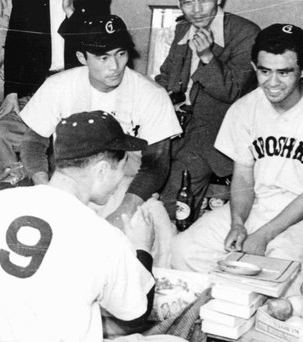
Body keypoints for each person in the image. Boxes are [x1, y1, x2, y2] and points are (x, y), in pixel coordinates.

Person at [0, 110, 155, 341]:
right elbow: (136, 314)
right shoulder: (102, 237)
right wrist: (143, 248)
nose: (121, 179)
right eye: (121, 169)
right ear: (101, 170)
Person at [170, 24, 303, 278]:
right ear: (254, 68)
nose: (272, 82)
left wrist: (263, 235)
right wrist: (238, 223)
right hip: (258, 206)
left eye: (284, 72)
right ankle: (212, 312)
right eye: (264, 71)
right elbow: (243, 178)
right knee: (184, 249)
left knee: (277, 268)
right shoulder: (244, 109)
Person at [19, 15, 181, 229]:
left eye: (121, 54)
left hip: (124, 186)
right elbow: (33, 143)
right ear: (82, 57)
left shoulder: (151, 94)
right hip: (71, 183)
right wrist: (46, 189)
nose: (114, 66)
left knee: (154, 227)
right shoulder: (57, 86)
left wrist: (124, 210)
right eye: (103, 58)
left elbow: (156, 165)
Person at [156, 0, 260, 220]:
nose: (195, 10)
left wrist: (207, 57)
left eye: (203, 0)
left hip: (209, 136)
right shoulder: (183, 28)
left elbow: (233, 90)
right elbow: (166, 75)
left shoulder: (245, 32)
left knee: (169, 206)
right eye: (187, 2)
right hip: (173, 127)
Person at [0, 0, 111, 177]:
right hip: (36, 91)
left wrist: (71, 13)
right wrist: (11, 92)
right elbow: (15, 41)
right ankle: (12, 189)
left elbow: (100, 49)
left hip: (77, 91)